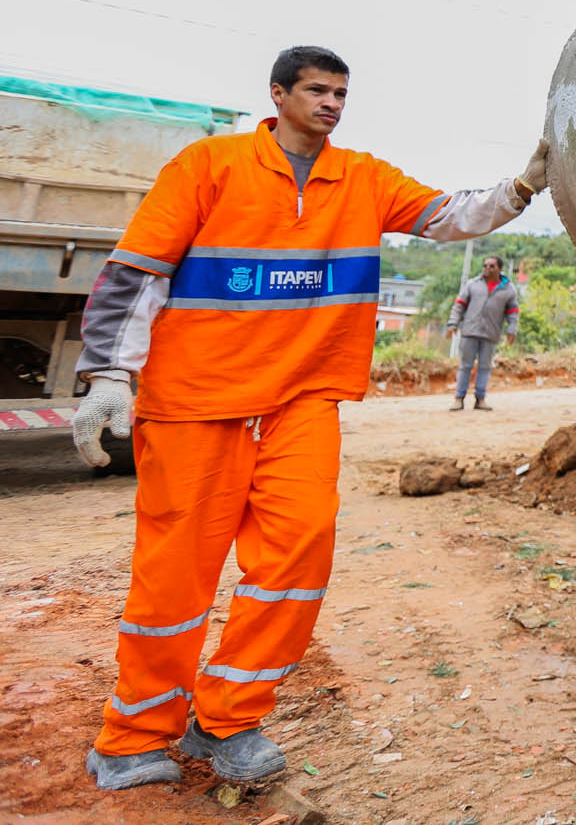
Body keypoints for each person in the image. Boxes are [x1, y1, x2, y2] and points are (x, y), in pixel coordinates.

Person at [67, 46, 549, 792]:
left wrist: (524, 184)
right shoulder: (209, 167)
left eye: (341, 93)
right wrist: (106, 374)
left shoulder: (362, 178)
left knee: (297, 559)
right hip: (197, 403)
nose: (331, 103)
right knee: (176, 576)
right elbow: (138, 272)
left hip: (302, 402)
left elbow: (453, 216)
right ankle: (132, 734)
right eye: (318, 90)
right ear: (278, 93)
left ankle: (228, 717)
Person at [446, 255, 518, 410]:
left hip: (491, 334)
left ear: (499, 269)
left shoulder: (509, 289)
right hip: (469, 332)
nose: (487, 268)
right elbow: (459, 306)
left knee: (485, 367)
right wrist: (452, 324)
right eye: (485, 265)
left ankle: (480, 399)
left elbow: (512, 312)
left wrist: (512, 329)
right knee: (465, 366)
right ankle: (459, 398)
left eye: (491, 266)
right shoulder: (472, 284)